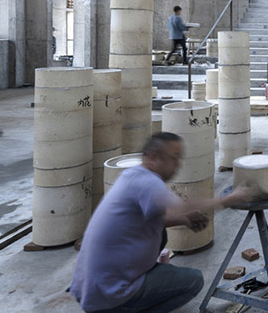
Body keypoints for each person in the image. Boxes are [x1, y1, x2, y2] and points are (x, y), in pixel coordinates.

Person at [70, 132, 253, 313]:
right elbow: (183, 205)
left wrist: (183, 220)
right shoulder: (147, 182)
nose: (178, 165)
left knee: (161, 233)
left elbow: (150, 217)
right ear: (152, 157)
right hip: (108, 296)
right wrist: (228, 199)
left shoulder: (131, 175)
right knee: (194, 280)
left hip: (89, 287)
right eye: (174, 158)